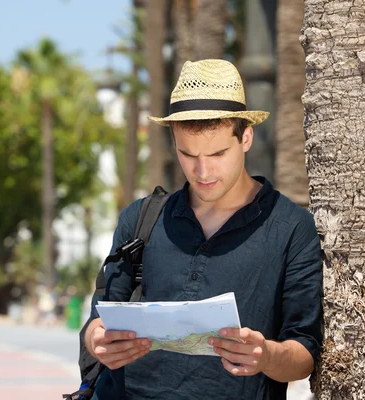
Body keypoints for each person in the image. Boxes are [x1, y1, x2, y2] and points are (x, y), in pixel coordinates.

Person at [82, 59, 323, 399]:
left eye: (218, 153)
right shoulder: (140, 218)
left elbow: (305, 353)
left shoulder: (291, 228)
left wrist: (265, 355)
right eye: (188, 154)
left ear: (246, 138)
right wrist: (99, 342)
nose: (203, 170)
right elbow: (97, 319)